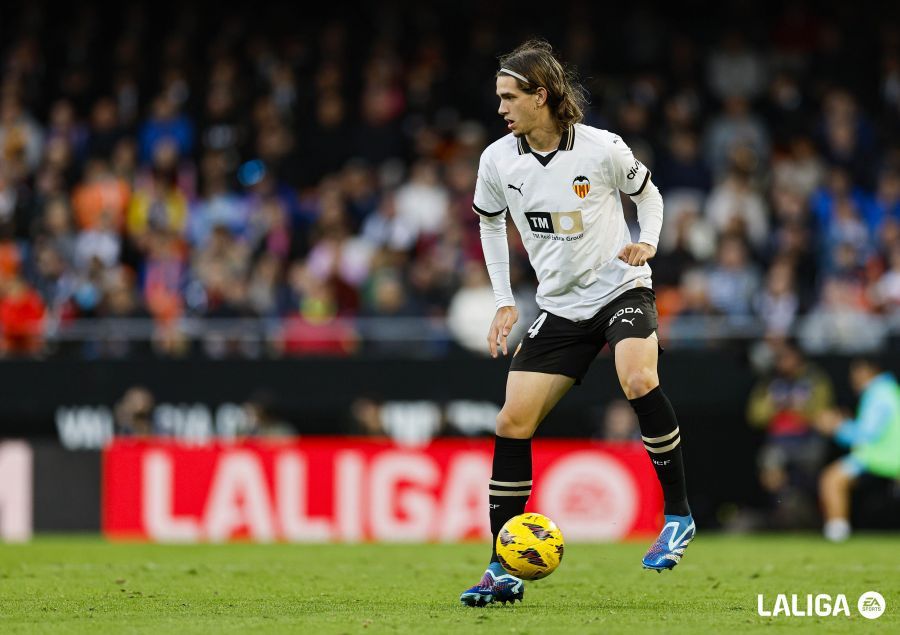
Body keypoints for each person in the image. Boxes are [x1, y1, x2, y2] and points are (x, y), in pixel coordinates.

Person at [460, 40, 694, 608]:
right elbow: (490, 226)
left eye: (510, 97)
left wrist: (647, 243)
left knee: (637, 378)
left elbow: (651, 195)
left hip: (620, 287)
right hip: (560, 306)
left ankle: (678, 517)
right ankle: (501, 566)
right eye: (498, 98)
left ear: (541, 95)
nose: (501, 108)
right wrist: (503, 299)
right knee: (512, 421)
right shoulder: (497, 161)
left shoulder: (602, 149)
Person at [746, 339, 833, 528]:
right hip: (779, 442)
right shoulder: (771, 382)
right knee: (770, 466)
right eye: (778, 359)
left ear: (797, 357)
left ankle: (812, 516)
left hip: (807, 440)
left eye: (785, 358)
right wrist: (774, 405)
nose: (781, 363)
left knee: (810, 482)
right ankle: (786, 509)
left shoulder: (814, 380)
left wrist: (800, 408)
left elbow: (823, 414)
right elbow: (755, 415)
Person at [814, 357, 900, 542]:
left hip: (882, 456)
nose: (853, 378)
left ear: (868, 371)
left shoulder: (878, 391)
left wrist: (837, 426)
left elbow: (866, 434)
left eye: (856, 373)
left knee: (832, 479)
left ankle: (837, 533)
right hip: (888, 456)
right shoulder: (889, 389)